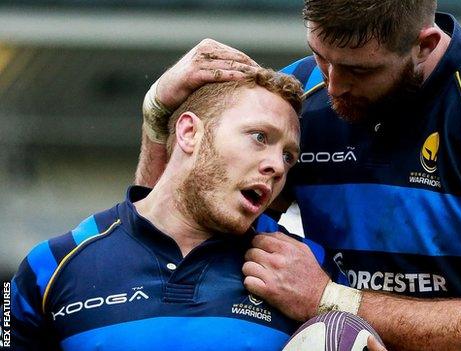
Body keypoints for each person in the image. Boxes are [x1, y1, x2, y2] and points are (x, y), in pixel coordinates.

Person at [136, 1, 461, 349]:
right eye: (320, 57)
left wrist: (329, 300)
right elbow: (168, 228)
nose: (332, 85)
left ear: (424, 45)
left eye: (358, 69)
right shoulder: (301, 99)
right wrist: (158, 117)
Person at [10, 69, 310, 350]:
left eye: (288, 156)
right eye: (260, 137)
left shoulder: (305, 269)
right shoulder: (49, 264)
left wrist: (329, 298)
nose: (277, 166)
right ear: (189, 132)